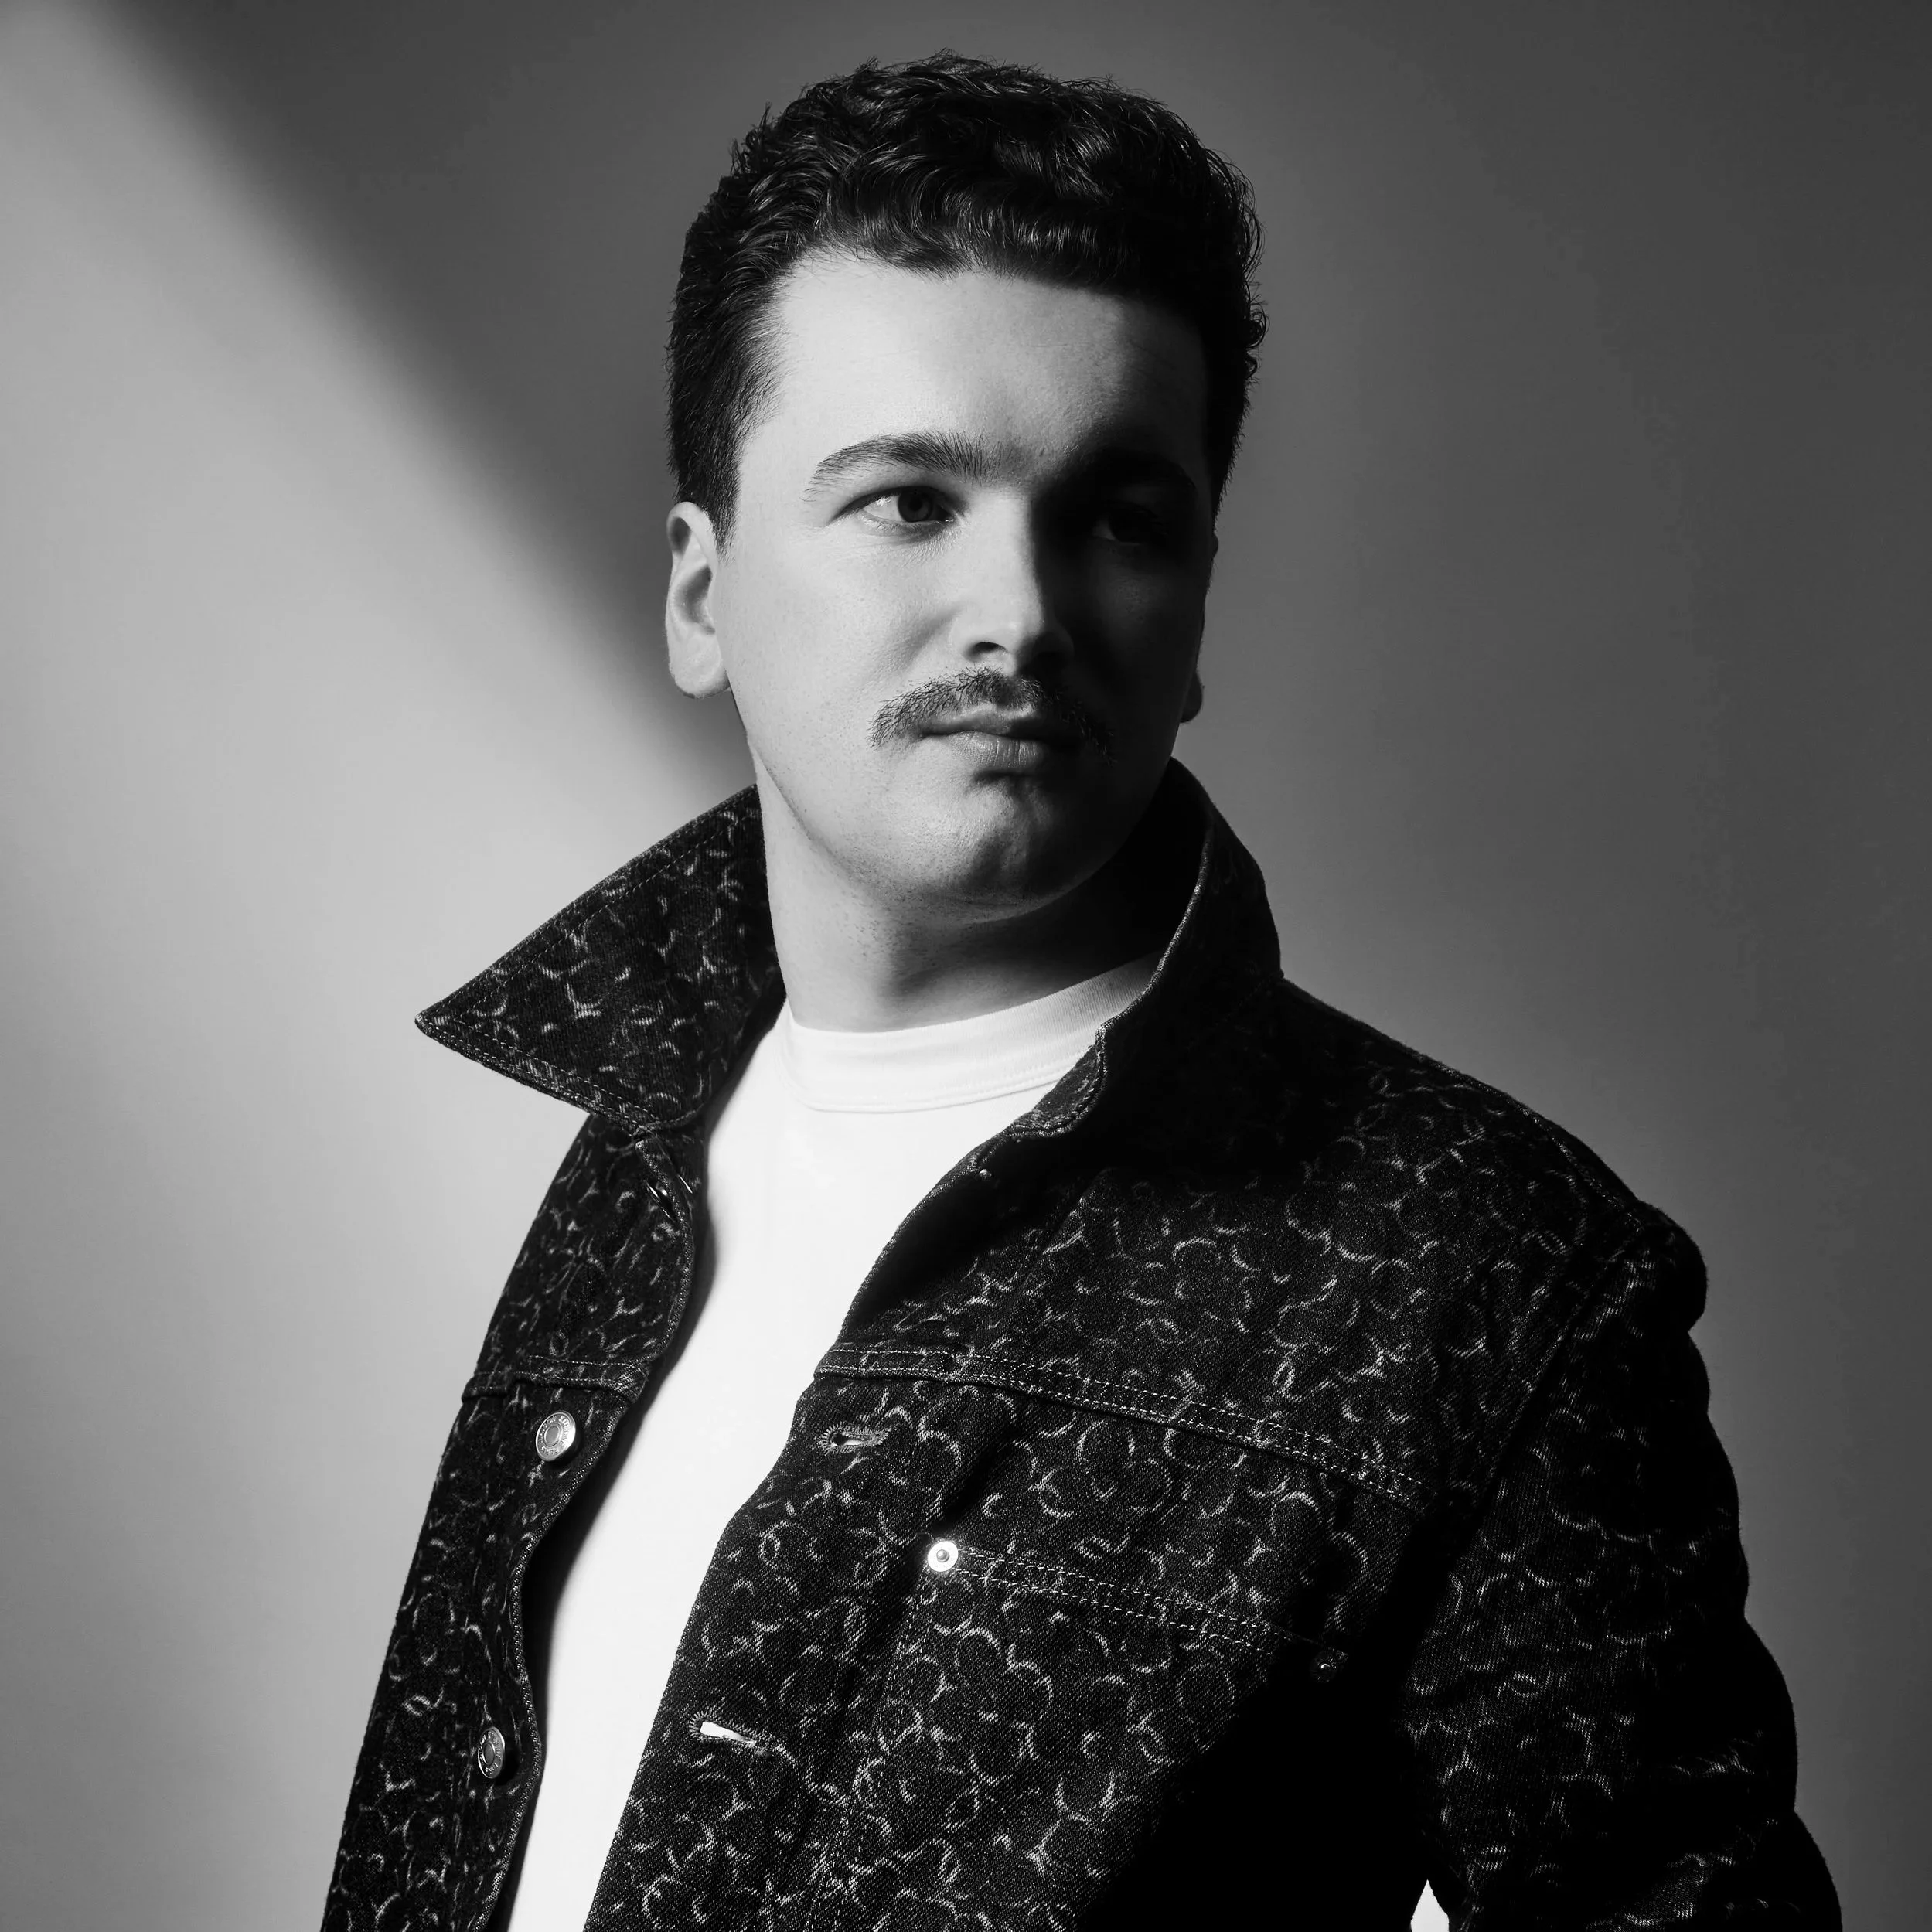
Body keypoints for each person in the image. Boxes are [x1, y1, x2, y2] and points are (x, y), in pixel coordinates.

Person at [322, 53, 1837, 1931]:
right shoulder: (634, 1137)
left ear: (1196, 596)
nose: (1020, 616)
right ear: (702, 596)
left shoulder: (1487, 1282)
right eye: (904, 502)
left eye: (1116, 515)